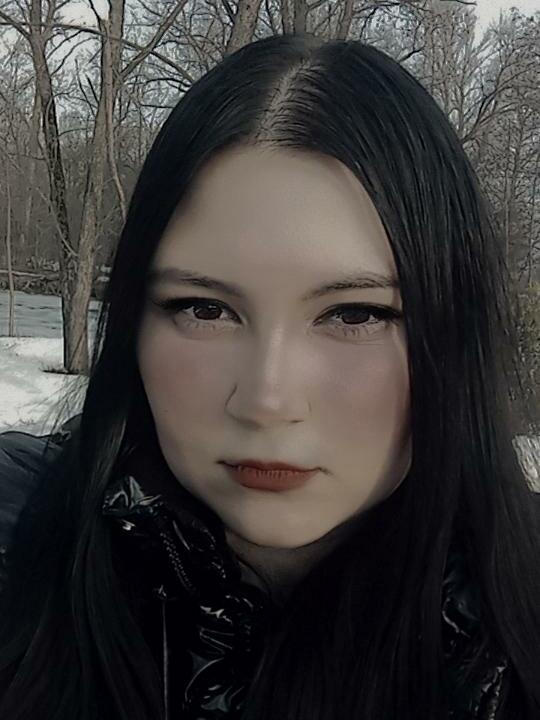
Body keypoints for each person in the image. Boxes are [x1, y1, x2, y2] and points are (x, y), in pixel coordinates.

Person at [0, 32, 539, 720]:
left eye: (354, 314)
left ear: (452, 334)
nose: (266, 399)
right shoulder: (18, 540)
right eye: (204, 308)